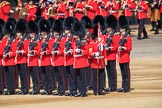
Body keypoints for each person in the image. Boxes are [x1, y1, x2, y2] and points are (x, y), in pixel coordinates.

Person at [89, 15, 106, 95]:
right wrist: (94, 55)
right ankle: (95, 90)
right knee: (95, 78)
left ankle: (101, 89)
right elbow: (89, 53)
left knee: (101, 77)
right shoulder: (91, 43)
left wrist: (104, 58)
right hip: (94, 63)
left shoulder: (101, 41)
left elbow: (104, 51)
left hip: (101, 61)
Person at [72, 22, 88, 97]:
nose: (74, 35)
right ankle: (80, 90)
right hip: (76, 62)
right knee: (78, 77)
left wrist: (81, 51)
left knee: (83, 77)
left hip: (82, 61)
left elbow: (87, 52)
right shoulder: (74, 42)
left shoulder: (83, 42)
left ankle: (83, 91)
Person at [104, 15, 120, 92]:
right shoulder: (106, 36)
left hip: (112, 56)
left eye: (108, 27)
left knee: (113, 72)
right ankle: (110, 86)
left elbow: (116, 46)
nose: (107, 28)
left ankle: (113, 86)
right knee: (108, 72)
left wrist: (110, 48)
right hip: (106, 56)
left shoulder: (115, 35)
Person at [117, 15, 132, 92]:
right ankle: (123, 86)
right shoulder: (120, 37)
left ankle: (127, 87)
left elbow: (129, 48)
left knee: (126, 73)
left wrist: (123, 48)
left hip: (125, 57)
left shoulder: (127, 37)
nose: (120, 29)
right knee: (123, 73)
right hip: (120, 58)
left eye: (121, 28)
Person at [15, 19, 29, 95]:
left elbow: (26, 51)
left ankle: (25, 88)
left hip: (23, 60)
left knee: (24, 75)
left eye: (18, 32)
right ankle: (23, 88)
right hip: (18, 60)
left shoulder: (25, 40)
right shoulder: (17, 40)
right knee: (21, 76)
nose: (17, 34)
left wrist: (21, 52)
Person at [39, 19, 53, 95]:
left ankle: (49, 89)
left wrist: (46, 52)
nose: (41, 33)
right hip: (42, 60)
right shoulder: (42, 40)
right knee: (44, 76)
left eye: (43, 32)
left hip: (47, 60)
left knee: (48, 76)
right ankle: (46, 88)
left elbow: (51, 49)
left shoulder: (49, 39)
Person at [2, 21, 16, 95]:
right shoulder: (6, 41)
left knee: (11, 76)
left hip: (10, 61)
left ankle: (12, 89)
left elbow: (14, 52)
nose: (5, 35)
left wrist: (8, 54)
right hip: (6, 61)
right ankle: (9, 89)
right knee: (7, 76)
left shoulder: (12, 41)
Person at [27, 20, 41, 95]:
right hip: (30, 61)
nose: (30, 34)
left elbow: (38, 51)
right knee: (32, 77)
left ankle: (37, 89)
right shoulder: (29, 40)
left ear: (34, 33)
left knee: (36, 76)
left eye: (31, 33)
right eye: (30, 33)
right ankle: (34, 88)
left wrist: (32, 52)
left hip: (35, 60)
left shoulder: (37, 40)